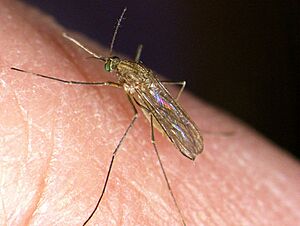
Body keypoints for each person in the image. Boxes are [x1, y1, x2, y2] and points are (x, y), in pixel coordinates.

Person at [0, 1, 299, 225]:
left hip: (150, 101)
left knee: (145, 134)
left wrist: (61, 77)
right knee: (165, 83)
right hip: (147, 87)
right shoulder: (129, 69)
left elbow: (152, 98)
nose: (110, 66)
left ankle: (172, 196)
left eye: (112, 65)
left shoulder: (125, 77)